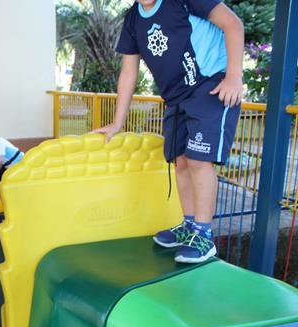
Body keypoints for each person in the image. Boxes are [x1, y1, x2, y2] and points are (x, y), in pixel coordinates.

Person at [93, 0, 244, 263]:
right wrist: (118, 121)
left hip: (211, 84)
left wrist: (233, 76)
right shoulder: (133, 19)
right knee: (180, 161)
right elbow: (128, 72)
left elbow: (233, 24)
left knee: (199, 160)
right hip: (176, 97)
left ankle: (203, 234)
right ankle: (189, 226)